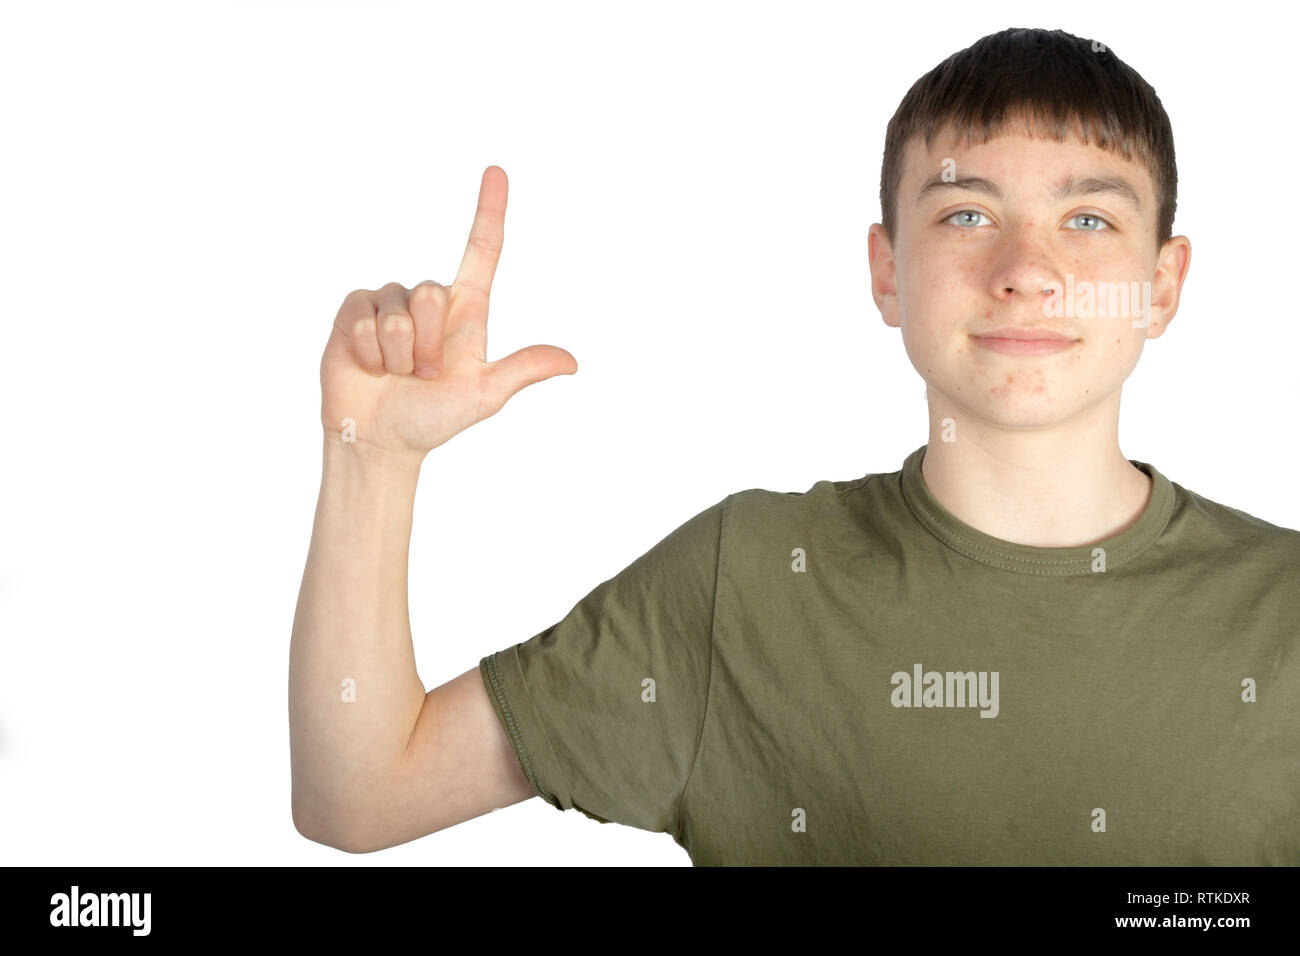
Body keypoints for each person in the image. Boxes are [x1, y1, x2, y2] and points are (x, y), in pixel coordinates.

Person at [288, 27, 1300, 864]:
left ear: (1161, 284)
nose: (1025, 270)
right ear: (887, 270)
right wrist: (370, 456)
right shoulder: (749, 580)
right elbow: (363, 795)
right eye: (965, 212)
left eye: (1085, 217)